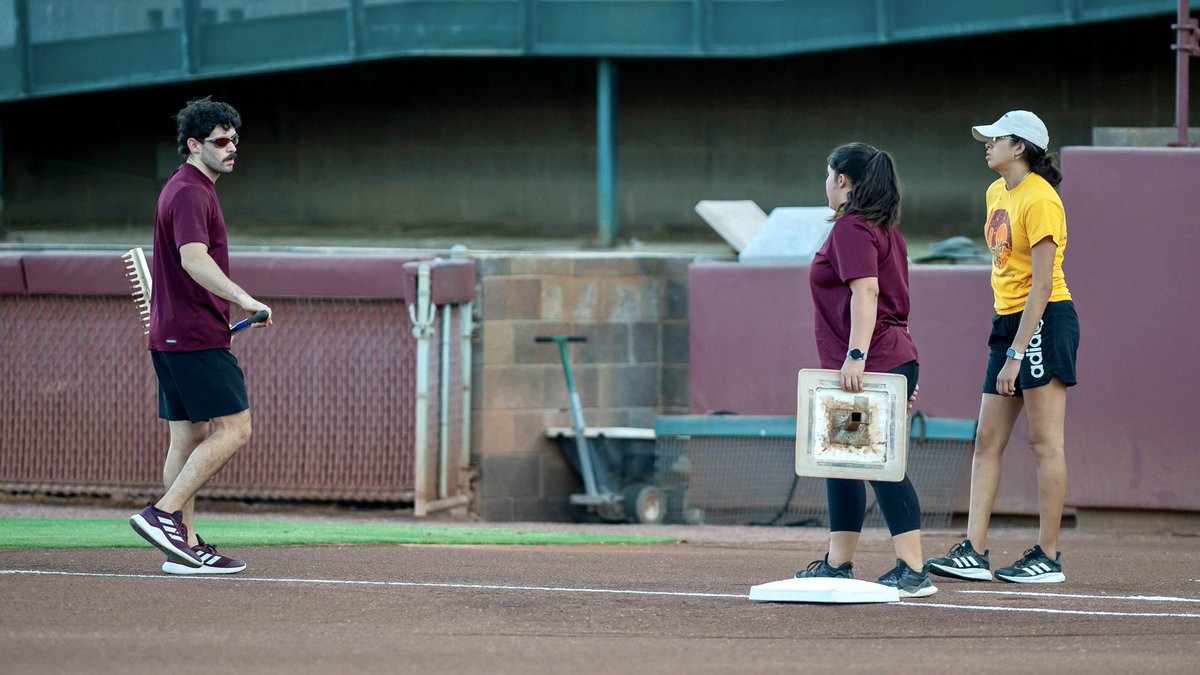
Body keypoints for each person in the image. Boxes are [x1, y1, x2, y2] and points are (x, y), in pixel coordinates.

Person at [927, 111, 1078, 584]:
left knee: (1043, 441)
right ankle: (973, 549)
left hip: (1045, 319)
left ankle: (1048, 557)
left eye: (995, 139)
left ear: (1020, 147)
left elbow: (1040, 285)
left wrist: (1016, 353)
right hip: (1009, 321)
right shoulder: (996, 193)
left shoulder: (1042, 199)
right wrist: (1008, 340)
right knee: (987, 439)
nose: (986, 145)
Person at [128, 96, 273, 575]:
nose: (232, 148)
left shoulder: (187, 187)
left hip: (171, 336)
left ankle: (183, 548)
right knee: (236, 428)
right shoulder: (191, 191)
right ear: (195, 145)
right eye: (221, 141)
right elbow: (193, 258)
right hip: (194, 335)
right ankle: (164, 515)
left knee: (188, 437)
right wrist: (247, 300)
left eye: (235, 139)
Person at [795, 142, 936, 598]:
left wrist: (857, 357)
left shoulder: (852, 227)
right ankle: (838, 562)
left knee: (877, 463)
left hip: (870, 363)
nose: (826, 183)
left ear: (842, 180)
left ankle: (913, 568)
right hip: (887, 360)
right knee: (844, 463)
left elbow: (867, 292)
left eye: (828, 174)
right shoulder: (882, 228)